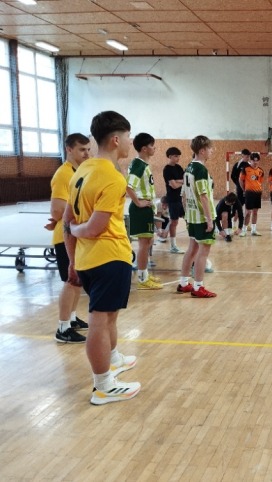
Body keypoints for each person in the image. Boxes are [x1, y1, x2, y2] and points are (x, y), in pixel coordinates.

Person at [62, 110, 140, 405]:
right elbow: (90, 227)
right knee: (99, 319)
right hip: (108, 257)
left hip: (88, 259)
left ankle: (112, 362)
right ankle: (104, 385)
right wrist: (77, 231)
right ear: (116, 140)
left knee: (108, 317)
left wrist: (73, 260)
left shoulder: (82, 170)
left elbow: (67, 219)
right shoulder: (113, 177)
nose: (130, 142)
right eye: (129, 137)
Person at [45, 133, 91, 344]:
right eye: (82, 150)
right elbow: (57, 209)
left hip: (74, 233)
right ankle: (63, 328)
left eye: (88, 149)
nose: (86, 154)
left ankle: (71, 319)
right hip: (65, 237)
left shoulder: (78, 172)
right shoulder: (64, 174)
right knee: (71, 281)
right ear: (69, 150)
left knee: (77, 280)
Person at [177, 135, 217, 298]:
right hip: (202, 217)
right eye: (210, 148)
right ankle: (198, 286)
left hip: (192, 216)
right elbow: (203, 195)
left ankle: (183, 283)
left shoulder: (189, 168)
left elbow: (183, 195)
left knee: (192, 249)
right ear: (202, 151)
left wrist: (187, 214)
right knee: (203, 251)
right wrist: (209, 219)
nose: (212, 151)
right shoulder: (200, 169)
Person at [126, 132, 162, 290]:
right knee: (144, 243)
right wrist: (139, 203)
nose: (155, 148)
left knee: (148, 242)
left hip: (147, 207)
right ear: (144, 148)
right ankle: (142, 277)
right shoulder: (139, 165)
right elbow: (128, 186)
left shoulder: (143, 164)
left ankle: (144, 273)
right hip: (141, 208)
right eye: (152, 145)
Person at [162, 146, 186, 254]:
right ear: (170, 156)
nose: (178, 158)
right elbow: (174, 185)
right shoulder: (167, 169)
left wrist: (178, 181)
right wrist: (180, 182)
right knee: (174, 221)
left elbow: (183, 180)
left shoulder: (179, 167)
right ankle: (173, 246)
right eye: (176, 156)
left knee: (184, 218)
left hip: (180, 198)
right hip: (172, 199)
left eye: (179, 156)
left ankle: (164, 234)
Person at [240, 152, 264, 236]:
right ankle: (244, 230)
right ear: (250, 161)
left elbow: (260, 182)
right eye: (254, 160)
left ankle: (254, 230)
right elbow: (240, 180)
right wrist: (244, 190)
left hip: (257, 193)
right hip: (249, 193)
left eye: (257, 160)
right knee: (248, 213)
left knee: (255, 212)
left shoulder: (261, 171)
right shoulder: (245, 169)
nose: (255, 162)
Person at [230, 148, 251, 231]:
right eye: (246, 156)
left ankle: (246, 224)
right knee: (238, 207)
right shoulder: (238, 165)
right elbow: (232, 176)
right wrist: (238, 184)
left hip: (248, 189)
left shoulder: (249, 165)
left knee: (247, 208)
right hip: (240, 190)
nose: (248, 158)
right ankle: (234, 224)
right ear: (242, 155)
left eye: (248, 156)